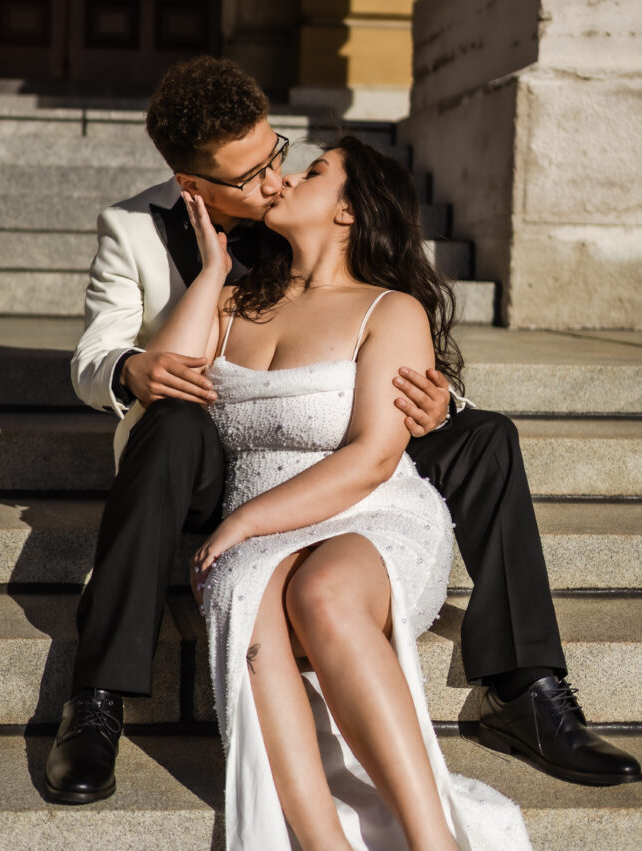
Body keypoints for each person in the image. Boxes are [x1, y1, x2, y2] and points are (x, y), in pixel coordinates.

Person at [44, 56, 640, 805]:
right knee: (168, 423)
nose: (273, 183)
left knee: (482, 432)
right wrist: (130, 370)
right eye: (249, 176)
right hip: (211, 447)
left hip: (333, 426)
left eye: (278, 156)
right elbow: (94, 353)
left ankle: (525, 686)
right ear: (193, 186)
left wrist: (437, 402)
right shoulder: (132, 228)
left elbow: (379, 307)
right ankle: (97, 697)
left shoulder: (309, 204)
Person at [114, 134, 577, 851]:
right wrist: (210, 271)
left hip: (370, 514)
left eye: (312, 169)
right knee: (250, 601)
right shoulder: (236, 301)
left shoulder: (388, 308)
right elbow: (163, 382)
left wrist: (244, 518)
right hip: (258, 526)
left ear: (350, 207)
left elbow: (371, 456)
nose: (284, 177)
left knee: (322, 591)